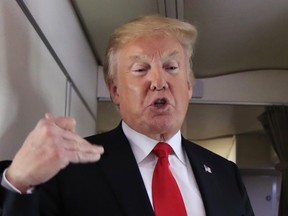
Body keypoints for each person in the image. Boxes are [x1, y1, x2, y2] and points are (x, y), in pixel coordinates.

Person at [0, 15, 254, 216]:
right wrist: (18, 181)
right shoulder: (69, 168)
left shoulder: (226, 174)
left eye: (171, 67)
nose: (158, 81)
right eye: (141, 69)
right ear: (115, 91)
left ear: (188, 85)